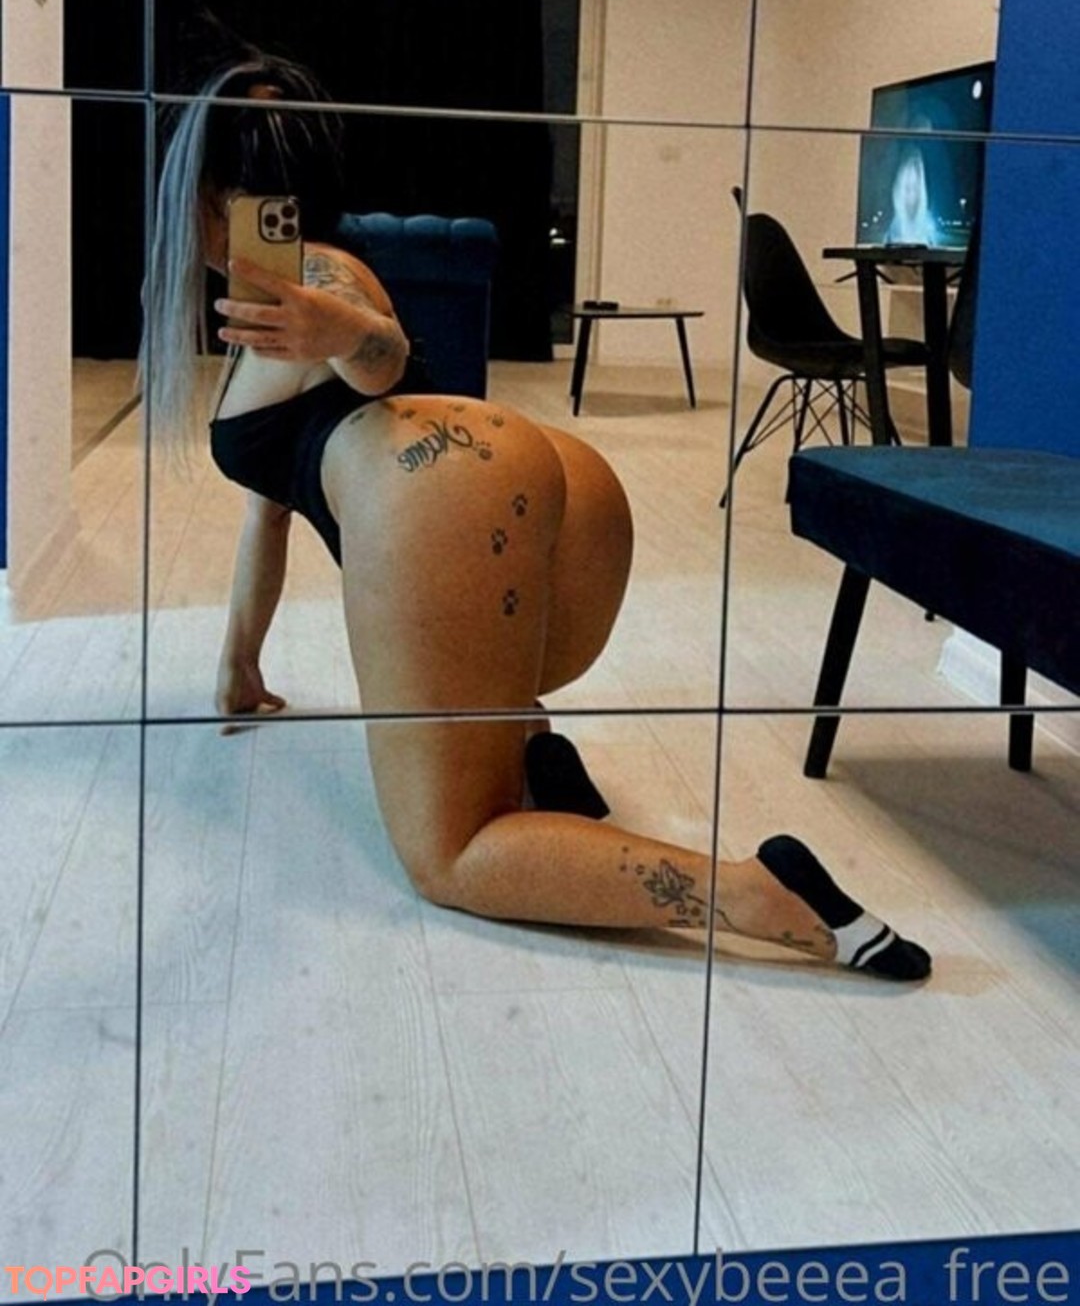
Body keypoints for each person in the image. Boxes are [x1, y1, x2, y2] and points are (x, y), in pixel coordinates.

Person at [142, 49, 932, 982]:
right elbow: (267, 514)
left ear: (209, 194)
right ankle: (532, 743)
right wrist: (240, 662)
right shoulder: (269, 312)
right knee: (455, 680)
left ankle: (757, 892)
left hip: (450, 494)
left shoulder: (319, 278)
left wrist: (346, 332)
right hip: (543, 476)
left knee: (451, 854)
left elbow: (380, 353)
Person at [885, 147, 941, 246]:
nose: (911, 195)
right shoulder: (891, 231)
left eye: (915, 189)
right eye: (907, 188)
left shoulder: (929, 231)